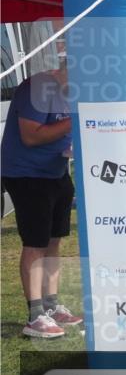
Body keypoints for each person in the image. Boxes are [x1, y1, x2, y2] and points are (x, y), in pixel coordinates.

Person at [0, 66, 83, 338]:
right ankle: (35, 316)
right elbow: (31, 135)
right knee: (35, 243)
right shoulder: (37, 87)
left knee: (54, 241)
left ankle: (51, 305)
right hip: (26, 174)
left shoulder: (75, 90)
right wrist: (74, 120)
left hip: (56, 170)